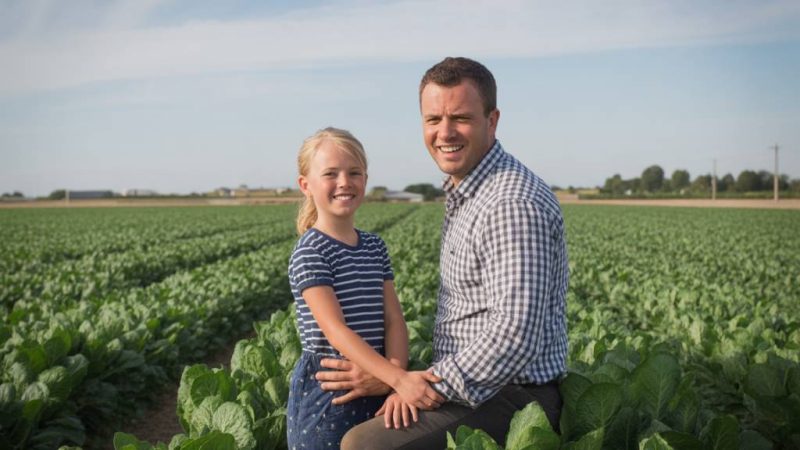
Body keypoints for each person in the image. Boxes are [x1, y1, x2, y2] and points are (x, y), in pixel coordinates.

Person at [316, 58, 569, 449]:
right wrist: (395, 376)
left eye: (461, 118)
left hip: (514, 396)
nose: (444, 132)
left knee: (364, 445)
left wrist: (420, 386)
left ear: (493, 120)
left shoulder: (511, 203)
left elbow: (515, 336)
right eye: (433, 119)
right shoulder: (470, 190)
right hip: (473, 381)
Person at [286, 127, 444, 450]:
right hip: (331, 390)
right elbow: (335, 330)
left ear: (365, 179)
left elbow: (394, 320)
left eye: (354, 172)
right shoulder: (310, 251)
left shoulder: (374, 246)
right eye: (331, 173)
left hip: (379, 382)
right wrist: (398, 379)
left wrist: (396, 375)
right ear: (306, 185)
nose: (345, 182)